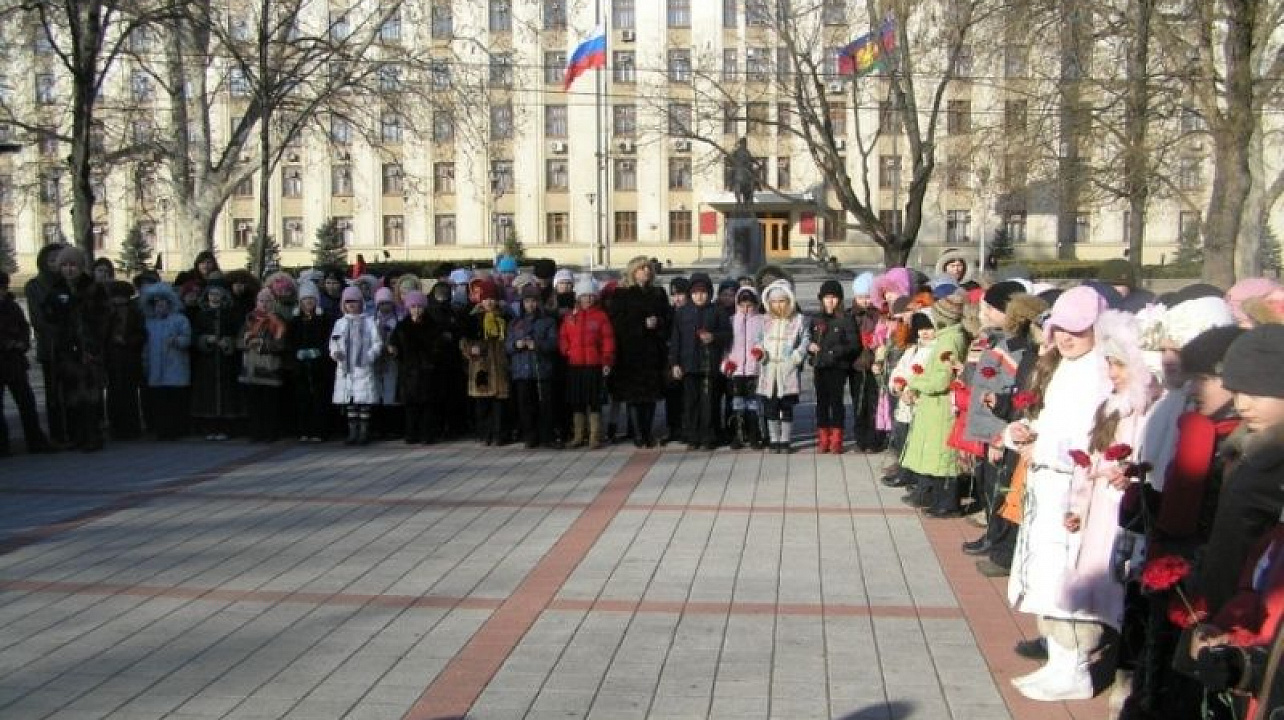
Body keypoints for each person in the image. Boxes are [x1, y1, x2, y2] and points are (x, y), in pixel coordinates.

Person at [1004, 286, 1111, 698]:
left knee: (1067, 574)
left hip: (1073, 487)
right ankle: (1058, 660)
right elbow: (1050, 420)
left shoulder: (1098, 373)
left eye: (1077, 331)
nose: (1066, 338)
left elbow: (1091, 439)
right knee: (1046, 573)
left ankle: (1077, 666)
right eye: (1061, 328)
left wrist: (1043, 446)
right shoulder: (1061, 367)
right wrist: (1021, 432)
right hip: (1046, 480)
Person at [43, 246, 111, 452]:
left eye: (73, 265)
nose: (69, 270)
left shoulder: (93, 288)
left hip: (88, 348)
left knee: (89, 395)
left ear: (81, 267)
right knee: (70, 395)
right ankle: (77, 435)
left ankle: (93, 435)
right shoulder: (57, 289)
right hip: (66, 350)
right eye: (64, 265)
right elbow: (48, 316)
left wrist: (94, 342)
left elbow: (104, 318)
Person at [609, 255, 672, 448]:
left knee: (651, 395)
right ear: (633, 272)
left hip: (653, 351)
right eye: (641, 268)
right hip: (631, 352)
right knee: (634, 396)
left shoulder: (658, 293)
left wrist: (658, 322)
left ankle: (648, 432)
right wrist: (641, 325)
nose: (646, 271)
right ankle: (637, 434)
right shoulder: (622, 294)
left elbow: (667, 318)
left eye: (648, 268)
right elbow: (617, 323)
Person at [669, 273, 730, 450]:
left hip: (709, 364)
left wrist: (714, 337)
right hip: (688, 365)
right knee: (690, 402)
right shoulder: (682, 312)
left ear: (709, 293)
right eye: (695, 293)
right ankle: (692, 436)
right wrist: (675, 364)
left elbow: (727, 334)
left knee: (709, 402)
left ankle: (708, 437)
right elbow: (676, 340)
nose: (699, 296)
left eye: (703, 292)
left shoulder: (717, 311)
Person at [0, 270, 52, 455]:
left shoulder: (12, 306)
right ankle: (3, 445)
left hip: (15, 362)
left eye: (3, 288)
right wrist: (7, 343)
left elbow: (24, 327)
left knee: (27, 403)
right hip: (5, 356)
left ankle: (35, 441)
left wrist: (22, 342)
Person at [560, 275, 615, 449]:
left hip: (594, 365)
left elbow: (608, 340)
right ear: (579, 297)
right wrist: (566, 350)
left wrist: (607, 360)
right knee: (577, 402)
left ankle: (594, 436)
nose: (588, 298)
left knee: (594, 402)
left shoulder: (601, 317)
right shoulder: (570, 317)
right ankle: (578, 435)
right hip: (575, 365)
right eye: (584, 295)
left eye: (591, 295)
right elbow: (563, 337)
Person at [24, 243, 68, 444]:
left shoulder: (69, 282)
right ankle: (57, 434)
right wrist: (57, 331)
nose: (56, 264)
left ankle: (75, 432)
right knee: (53, 393)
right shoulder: (35, 285)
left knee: (72, 391)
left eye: (59, 260)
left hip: (71, 346)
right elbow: (37, 318)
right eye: (52, 260)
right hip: (50, 346)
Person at [190, 280, 245, 440]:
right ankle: (210, 427)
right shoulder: (201, 314)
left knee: (227, 394)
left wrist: (228, 342)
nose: (215, 297)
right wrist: (206, 340)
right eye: (212, 294)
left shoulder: (231, 314)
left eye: (218, 294)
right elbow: (195, 336)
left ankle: (226, 428)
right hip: (206, 361)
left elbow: (239, 335)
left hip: (227, 361)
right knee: (208, 394)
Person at [507, 284, 560, 449]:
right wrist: (516, 344)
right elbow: (507, 346)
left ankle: (546, 436)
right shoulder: (515, 322)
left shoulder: (548, 321)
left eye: (534, 301)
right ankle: (529, 436)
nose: (530, 305)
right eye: (527, 301)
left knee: (544, 404)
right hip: (521, 371)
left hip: (541, 369)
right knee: (525, 406)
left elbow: (553, 344)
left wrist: (536, 345)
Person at [139, 283, 192, 440]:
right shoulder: (150, 323)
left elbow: (187, 339)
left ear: (170, 303)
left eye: (163, 301)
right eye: (156, 302)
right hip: (156, 369)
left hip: (175, 367)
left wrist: (177, 341)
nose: (160, 305)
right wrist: (145, 363)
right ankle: (161, 430)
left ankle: (177, 429)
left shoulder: (180, 320)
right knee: (159, 402)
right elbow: (146, 346)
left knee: (174, 401)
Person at [462, 278, 511, 446]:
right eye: (485, 299)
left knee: (500, 404)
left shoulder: (505, 316)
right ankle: (485, 434)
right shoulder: (473, 317)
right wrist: (470, 349)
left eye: (492, 299)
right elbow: (464, 341)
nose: (489, 302)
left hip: (500, 364)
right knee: (482, 404)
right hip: (481, 366)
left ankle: (500, 434)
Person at [388, 290, 441, 445]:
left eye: (419, 306)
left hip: (427, 370)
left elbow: (437, 346)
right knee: (410, 405)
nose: (416, 310)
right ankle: (411, 433)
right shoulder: (402, 326)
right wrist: (393, 349)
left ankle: (427, 434)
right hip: (409, 370)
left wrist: (431, 359)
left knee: (427, 405)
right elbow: (394, 343)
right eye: (413, 306)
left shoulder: (432, 325)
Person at [331, 286, 382, 445]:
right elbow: (333, 342)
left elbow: (377, 343)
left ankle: (364, 432)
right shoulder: (340, 323)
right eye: (348, 302)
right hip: (346, 367)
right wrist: (335, 353)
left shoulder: (369, 322)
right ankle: (352, 432)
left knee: (364, 401)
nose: (351, 305)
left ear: (361, 302)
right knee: (351, 401)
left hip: (363, 366)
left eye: (355, 301)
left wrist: (369, 356)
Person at [809, 280, 856, 453]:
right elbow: (810, 339)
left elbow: (853, 345)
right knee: (821, 402)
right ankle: (823, 437)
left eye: (834, 298)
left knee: (836, 402)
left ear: (840, 300)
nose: (831, 301)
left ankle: (836, 438)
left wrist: (834, 352)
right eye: (827, 297)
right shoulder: (816, 319)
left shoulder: (845, 319)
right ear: (821, 299)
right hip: (820, 367)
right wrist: (810, 347)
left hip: (838, 366)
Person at [238, 289, 287, 442]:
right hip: (251, 368)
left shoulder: (278, 321)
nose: (264, 304)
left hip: (269, 368)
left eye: (268, 301)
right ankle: (255, 433)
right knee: (253, 404)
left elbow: (281, 344)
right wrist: (246, 342)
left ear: (273, 303)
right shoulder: (249, 319)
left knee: (270, 405)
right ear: (256, 302)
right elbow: (238, 342)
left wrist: (261, 344)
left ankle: (270, 434)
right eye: (261, 301)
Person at [289, 281, 334, 442]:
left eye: (311, 299)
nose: (308, 302)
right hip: (301, 367)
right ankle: (303, 430)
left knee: (319, 399)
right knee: (302, 399)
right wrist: (297, 352)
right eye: (305, 299)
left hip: (319, 366)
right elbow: (290, 341)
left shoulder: (324, 319)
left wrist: (319, 352)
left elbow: (328, 339)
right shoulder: (295, 321)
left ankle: (319, 431)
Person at [102, 280, 146, 440]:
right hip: (112, 359)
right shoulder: (107, 312)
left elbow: (141, 334)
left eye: (123, 297)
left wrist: (127, 341)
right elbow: (102, 334)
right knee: (114, 394)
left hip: (129, 358)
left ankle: (131, 428)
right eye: (116, 297)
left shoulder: (134, 313)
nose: (119, 300)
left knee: (130, 394)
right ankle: (116, 427)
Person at [723, 286, 765, 450]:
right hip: (736, 370)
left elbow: (765, 340)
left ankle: (755, 435)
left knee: (753, 404)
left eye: (750, 305)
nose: (746, 308)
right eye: (742, 305)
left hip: (754, 369)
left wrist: (760, 350)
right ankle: (738, 436)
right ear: (737, 304)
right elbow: (726, 347)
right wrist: (726, 363)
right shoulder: (731, 321)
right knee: (737, 404)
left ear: (756, 304)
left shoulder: (762, 321)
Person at [848, 272, 885, 453]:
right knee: (859, 402)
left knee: (874, 402)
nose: (865, 301)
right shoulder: (851, 316)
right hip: (856, 365)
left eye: (868, 297)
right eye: (861, 297)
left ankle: (875, 439)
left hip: (875, 364)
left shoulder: (878, 315)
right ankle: (860, 438)